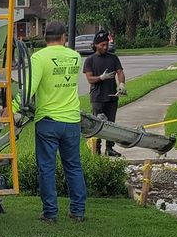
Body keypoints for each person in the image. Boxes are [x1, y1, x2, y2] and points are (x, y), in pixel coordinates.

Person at [22, 20, 87, 223]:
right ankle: (78, 211)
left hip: (48, 120)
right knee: (73, 166)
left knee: (47, 168)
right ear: (64, 37)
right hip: (71, 121)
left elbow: (29, 89)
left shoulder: (39, 58)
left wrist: (13, 107)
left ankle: (50, 213)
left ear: (44, 37)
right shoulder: (75, 57)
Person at [82, 29, 126, 156]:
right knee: (97, 124)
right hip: (97, 97)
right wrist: (101, 77)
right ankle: (96, 149)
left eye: (106, 44)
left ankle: (109, 148)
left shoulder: (113, 58)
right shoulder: (90, 60)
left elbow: (120, 72)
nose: (105, 47)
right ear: (96, 45)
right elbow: (90, 79)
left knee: (111, 124)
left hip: (112, 96)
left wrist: (122, 83)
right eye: (102, 45)